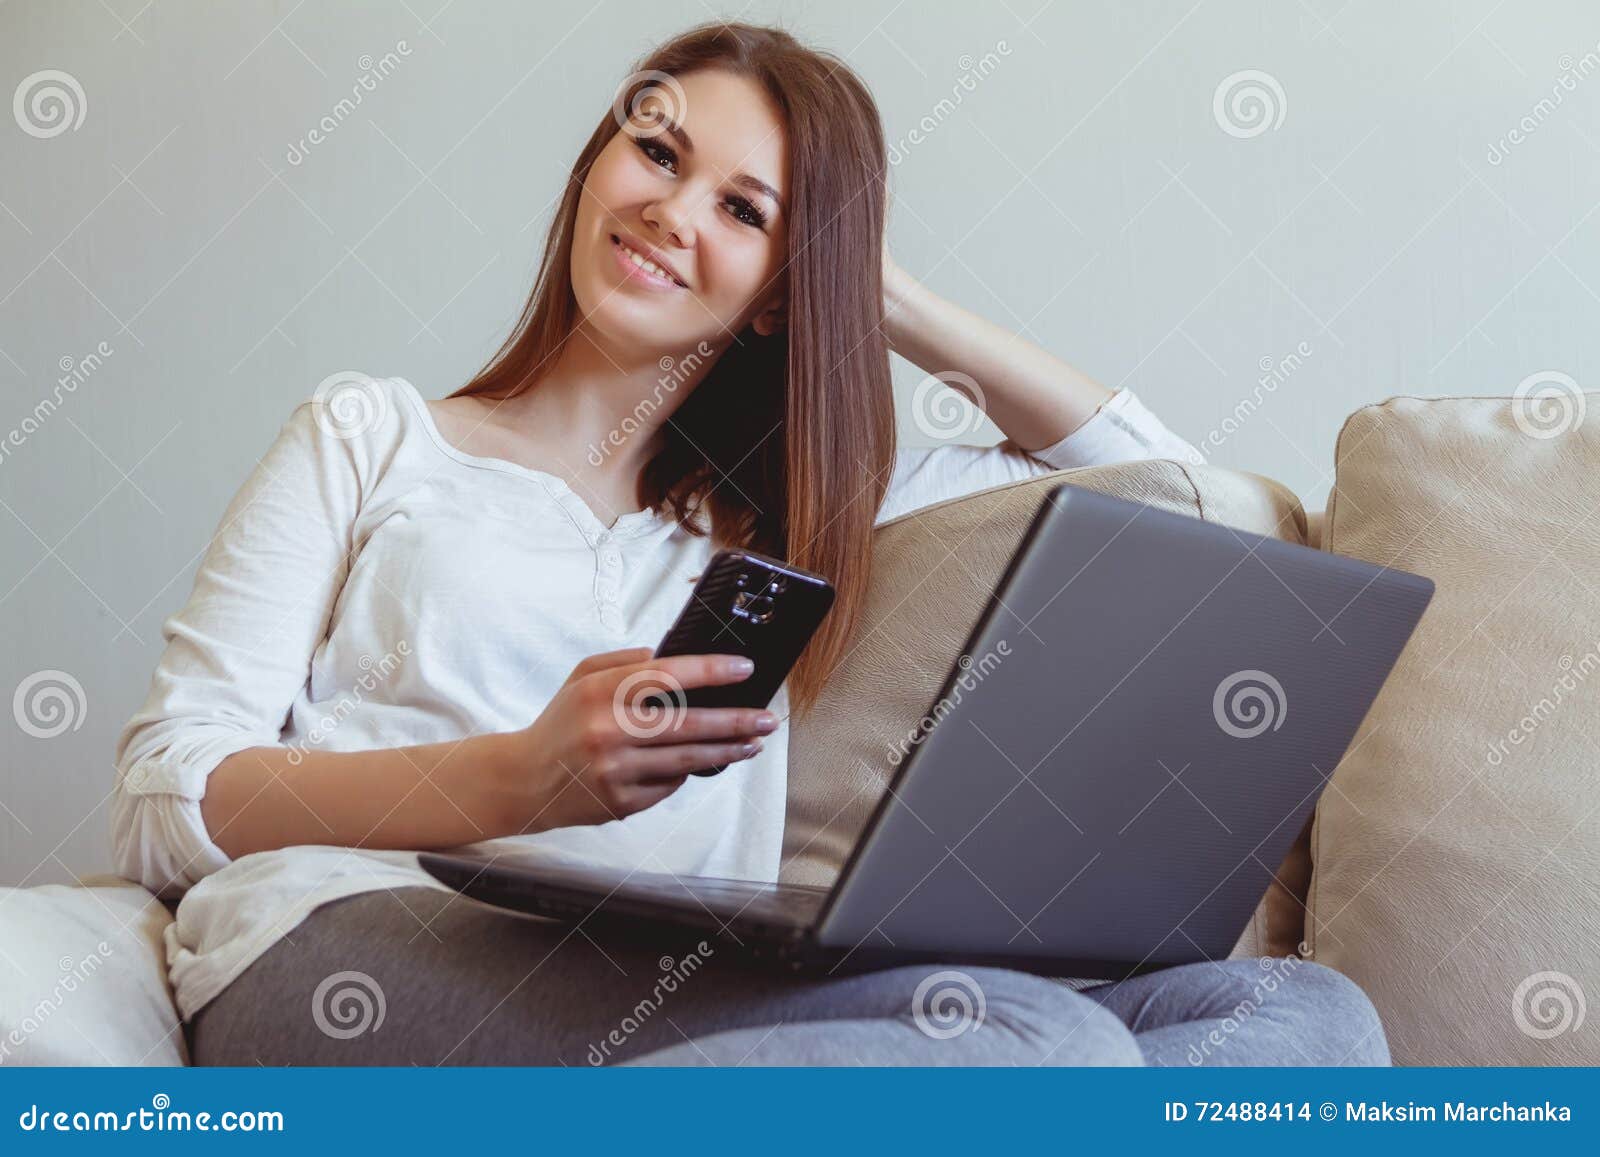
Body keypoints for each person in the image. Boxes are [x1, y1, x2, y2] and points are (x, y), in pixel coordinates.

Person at [112, 21, 1386, 1067]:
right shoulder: (370, 433)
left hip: (683, 971)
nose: (671, 209)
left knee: (1298, 1014)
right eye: (654, 151)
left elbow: (1163, 480)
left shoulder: (787, 517)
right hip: (353, 943)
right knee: (1039, 1043)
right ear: (595, 164)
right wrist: (518, 778)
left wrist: (871, 288)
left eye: (743, 207)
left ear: (785, 287)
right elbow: (166, 797)